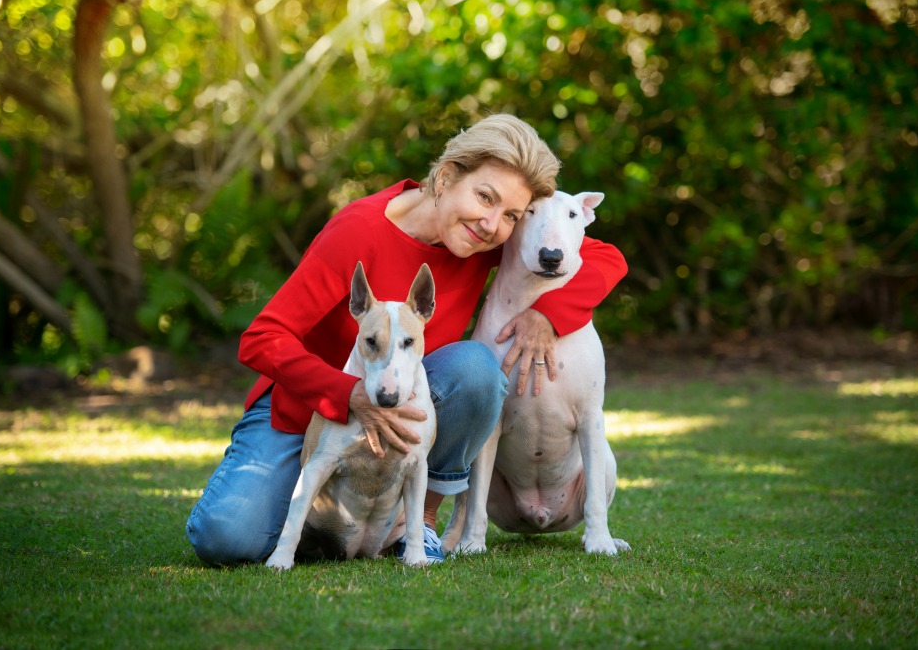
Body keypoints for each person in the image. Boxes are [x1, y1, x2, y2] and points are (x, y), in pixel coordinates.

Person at [186, 113, 628, 565]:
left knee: (475, 369)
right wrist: (348, 393)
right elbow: (262, 338)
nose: (493, 224)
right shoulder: (359, 230)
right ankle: (328, 523)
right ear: (447, 176)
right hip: (308, 404)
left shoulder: (487, 237)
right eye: (484, 196)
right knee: (228, 539)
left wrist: (548, 315)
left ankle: (417, 526)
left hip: (406, 396)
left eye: (511, 214)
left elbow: (606, 257)